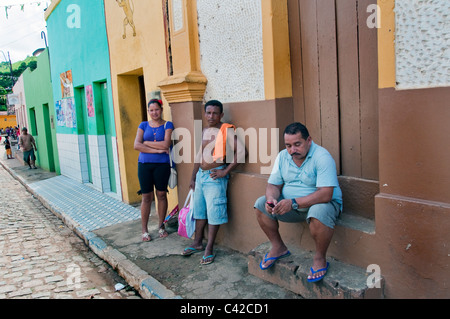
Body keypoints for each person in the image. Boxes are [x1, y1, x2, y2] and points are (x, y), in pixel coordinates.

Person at [253, 122, 342, 282]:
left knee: (318, 211)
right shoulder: (282, 156)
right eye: (288, 145)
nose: (292, 150)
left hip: (322, 206)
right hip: (292, 208)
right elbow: (273, 184)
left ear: (309, 140)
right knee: (260, 204)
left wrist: (293, 202)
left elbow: (325, 194)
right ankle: (278, 247)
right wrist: (271, 198)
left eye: (297, 144)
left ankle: (320, 258)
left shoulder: (322, 157)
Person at [182, 99, 246, 265]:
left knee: (214, 212)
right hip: (201, 176)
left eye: (215, 113)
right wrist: (193, 176)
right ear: (205, 114)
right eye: (208, 113)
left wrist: (225, 171)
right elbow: (199, 155)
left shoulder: (226, 130)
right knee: (200, 211)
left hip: (214, 176)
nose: (211, 116)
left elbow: (241, 151)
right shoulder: (204, 130)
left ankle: (209, 248)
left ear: (221, 115)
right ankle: (197, 243)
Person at [134, 99, 174, 242]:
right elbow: (136, 145)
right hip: (144, 165)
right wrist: (157, 151)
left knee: (162, 194)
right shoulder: (143, 125)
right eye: (151, 110)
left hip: (162, 166)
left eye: (156, 109)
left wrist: (146, 143)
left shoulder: (167, 125)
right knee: (146, 197)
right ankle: (144, 231)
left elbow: (166, 144)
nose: (154, 113)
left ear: (161, 109)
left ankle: (161, 226)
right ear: (148, 111)